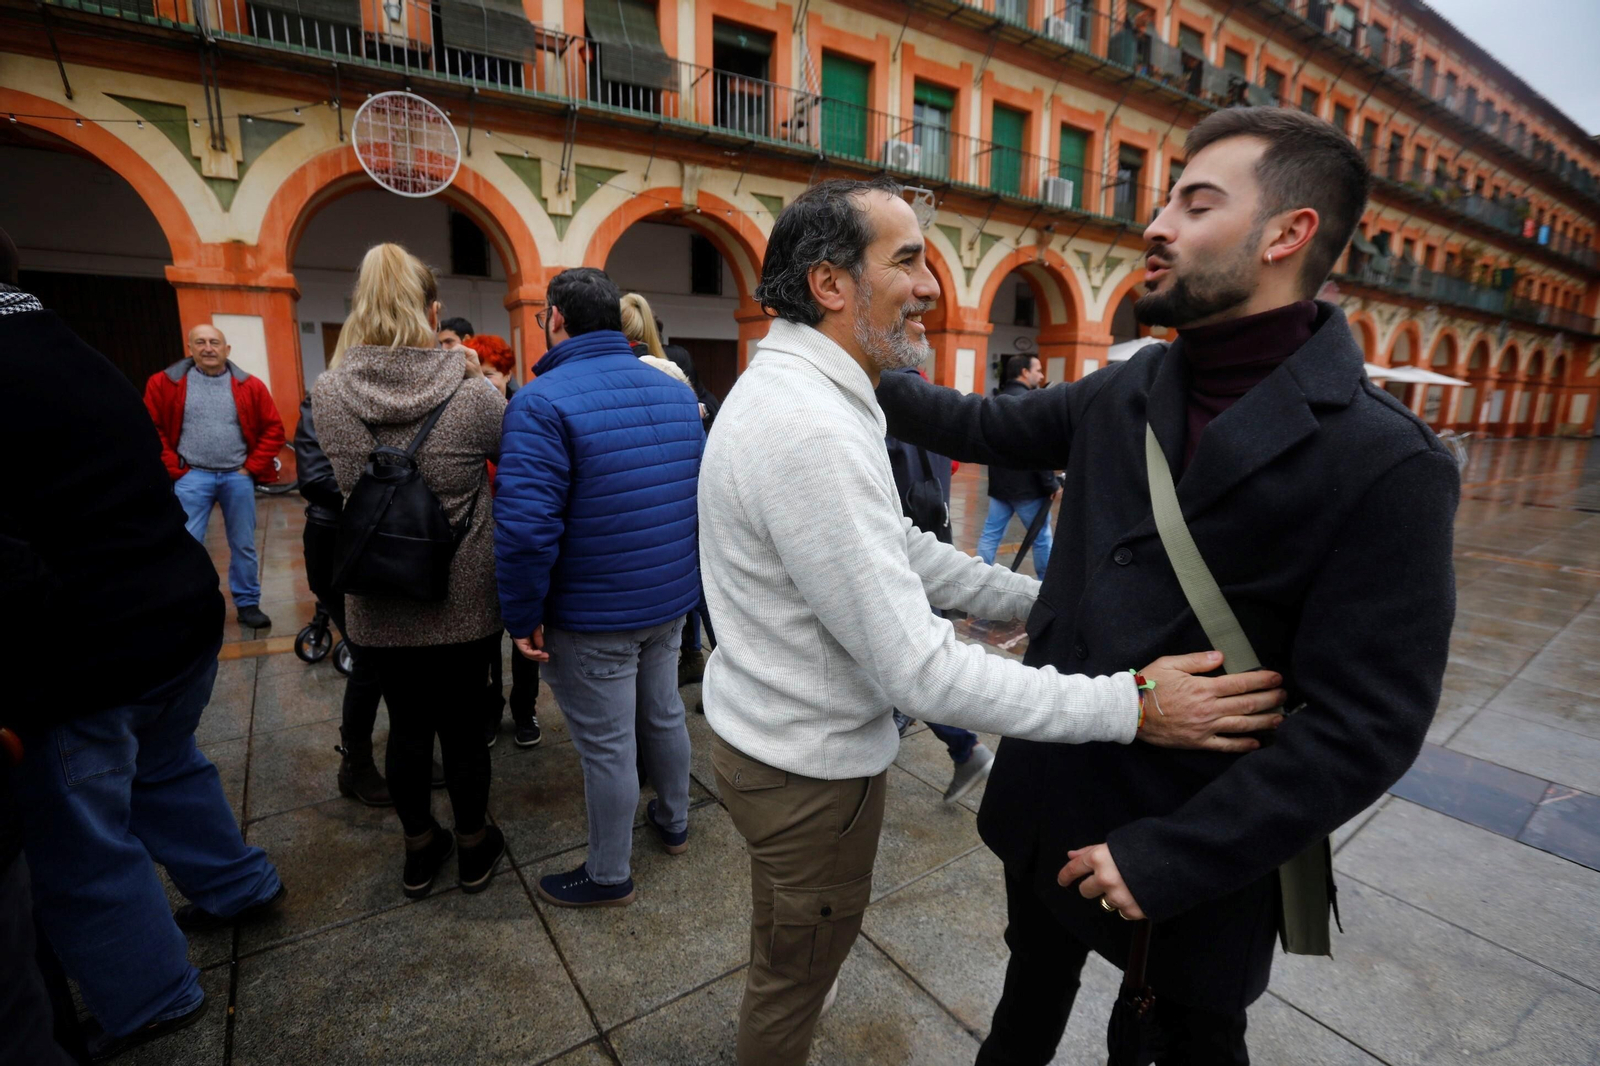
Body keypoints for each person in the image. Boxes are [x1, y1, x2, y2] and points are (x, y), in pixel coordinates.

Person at [878, 107, 1458, 1064]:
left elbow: (1369, 725)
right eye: (1166, 201)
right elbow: (977, 426)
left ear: (1287, 233)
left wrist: (1172, 857)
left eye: (1196, 203)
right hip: (1054, 793)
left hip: (1192, 849)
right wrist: (845, 354)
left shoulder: (1387, 459)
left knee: (1172, 1044)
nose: (1156, 224)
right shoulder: (1131, 386)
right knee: (1024, 1005)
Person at [697, 178, 1286, 1066]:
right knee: (790, 984)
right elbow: (923, 673)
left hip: (775, 751)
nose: (932, 284)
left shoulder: (809, 387)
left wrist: (1039, 601)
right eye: (906, 260)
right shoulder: (809, 424)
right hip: (806, 779)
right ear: (829, 284)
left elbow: (891, 545)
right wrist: (1132, 704)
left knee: (787, 948)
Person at [1, 228, 285, 1060]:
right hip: (172, 608)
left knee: (81, 835)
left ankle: (153, 992)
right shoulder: (77, 350)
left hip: (86, 644)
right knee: (166, 763)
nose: (202, 348)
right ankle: (237, 885)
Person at [494, 268, 703, 908]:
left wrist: (521, 613)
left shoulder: (541, 400)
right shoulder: (672, 391)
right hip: (667, 599)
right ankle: (674, 819)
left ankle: (609, 874)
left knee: (608, 747)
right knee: (663, 712)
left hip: (592, 613)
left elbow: (527, 530)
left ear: (554, 317)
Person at [313, 244, 507, 900]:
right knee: (464, 728)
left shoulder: (331, 393)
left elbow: (344, 482)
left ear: (360, 309)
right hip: (462, 595)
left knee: (406, 726)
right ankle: (476, 846)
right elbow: (511, 461)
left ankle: (420, 850)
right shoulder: (474, 393)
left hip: (381, 592)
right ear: (433, 311)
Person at [883, 369, 995, 804]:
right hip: (933, 532)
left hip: (901, 549)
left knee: (906, 660)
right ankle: (964, 747)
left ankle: (963, 745)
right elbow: (950, 462)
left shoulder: (881, 398)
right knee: (916, 652)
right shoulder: (929, 396)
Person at [144, 324, 286, 630]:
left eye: (214, 342)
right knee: (187, 542)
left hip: (237, 477)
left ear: (227, 349)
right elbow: (150, 427)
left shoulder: (251, 385)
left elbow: (274, 429)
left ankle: (248, 604)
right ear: (190, 348)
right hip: (192, 477)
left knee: (244, 544)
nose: (208, 347)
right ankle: (188, 604)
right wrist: (176, 468)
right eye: (201, 342)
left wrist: (250, 468)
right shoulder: (165, 383)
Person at [464, 333, 543, 750]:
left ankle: (525, 709)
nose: (483, 382)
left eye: (490, 374)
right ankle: (490, 710)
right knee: (486, 640)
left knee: (526, 631)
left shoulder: (522, 411)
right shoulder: (467, 412)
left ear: (506, 373)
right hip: (480, 543)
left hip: (515, 540)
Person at [977, 353, 1059, 577]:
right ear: (1024, 372)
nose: (1041, 376)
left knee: (990, 534)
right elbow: (1040, 450)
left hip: (1000, 485)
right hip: (1029, 489)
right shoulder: (1033, 403)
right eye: (1038, 370)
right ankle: (1046, 585)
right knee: (1041, 538)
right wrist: (1050, 484)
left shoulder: (996, 401)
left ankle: (978, 581)